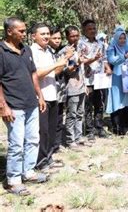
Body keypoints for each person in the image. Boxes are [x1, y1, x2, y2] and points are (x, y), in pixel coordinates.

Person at [0, 17, 48, 195]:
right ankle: (13, 180)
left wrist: (40, 96)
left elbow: (33, 73)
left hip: (31, 103)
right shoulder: (1, 51)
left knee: (33, 140)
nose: (24, 34)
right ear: (9, 31)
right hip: (13, 106)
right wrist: (3, 106)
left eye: (24, 30)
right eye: (20, 31)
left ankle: (28, 172)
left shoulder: (25, 49)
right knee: (16, 144)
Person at [30, 23, 71, 170]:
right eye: (43, 34)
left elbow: (55, 73)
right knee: (43, 131)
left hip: (52, 95)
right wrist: (55, 65)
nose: (47, 36)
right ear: (33, 36)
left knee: (52, 130)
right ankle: (40, 162)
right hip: (40, 97)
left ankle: (48, 158)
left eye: (48, 33)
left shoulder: (48, 51)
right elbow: (37, 74)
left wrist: (65, 58)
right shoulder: (32, 52)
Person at [78, 19, 111, 140]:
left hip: (99, 79)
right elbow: (81, 61)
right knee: (88, 105)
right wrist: (93, 58)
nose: (92, 31)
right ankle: (89, 130)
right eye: (89, 29)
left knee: (99, 104)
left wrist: (107, 68)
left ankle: (99, 128)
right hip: (87, 79)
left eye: (94, 29)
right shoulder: (81, 44)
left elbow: (104, 59)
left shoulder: (100, 44)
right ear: (84, 30)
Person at [60, 25, 87, 148]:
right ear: (67, 37)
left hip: (81, 86)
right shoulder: (65, 52)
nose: (75, 38)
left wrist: (85, 84)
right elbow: (66, 71)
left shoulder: (80, 48)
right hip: (71, 88)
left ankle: (78, 136)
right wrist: (77, 63)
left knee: (80, 113)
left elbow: (81, 70)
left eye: (77, 35)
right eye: (72, 36)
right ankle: (70, 140)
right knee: (72, 114)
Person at [106, 27, 128, 135]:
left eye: (124, 38)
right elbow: (112, 60)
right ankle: (116, 127)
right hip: (116, 78)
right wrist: (124, 56)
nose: (122, 40)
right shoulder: (111, 48)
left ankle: (125, 126)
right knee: (117, 101)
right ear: (116, 38)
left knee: (126, 101)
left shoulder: (127, 47)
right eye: (120, 38)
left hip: (127, 78)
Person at [48, 27, 67, 154]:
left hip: (60, 91)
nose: (57, 41)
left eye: (59, 38)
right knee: (51, 122)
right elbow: (55, 72)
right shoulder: (48, 53)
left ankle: (57, 145)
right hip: (51, 92)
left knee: (60, 119)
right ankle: (49, 148)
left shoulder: (57, 51)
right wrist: (65, 59)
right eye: (54, 38)